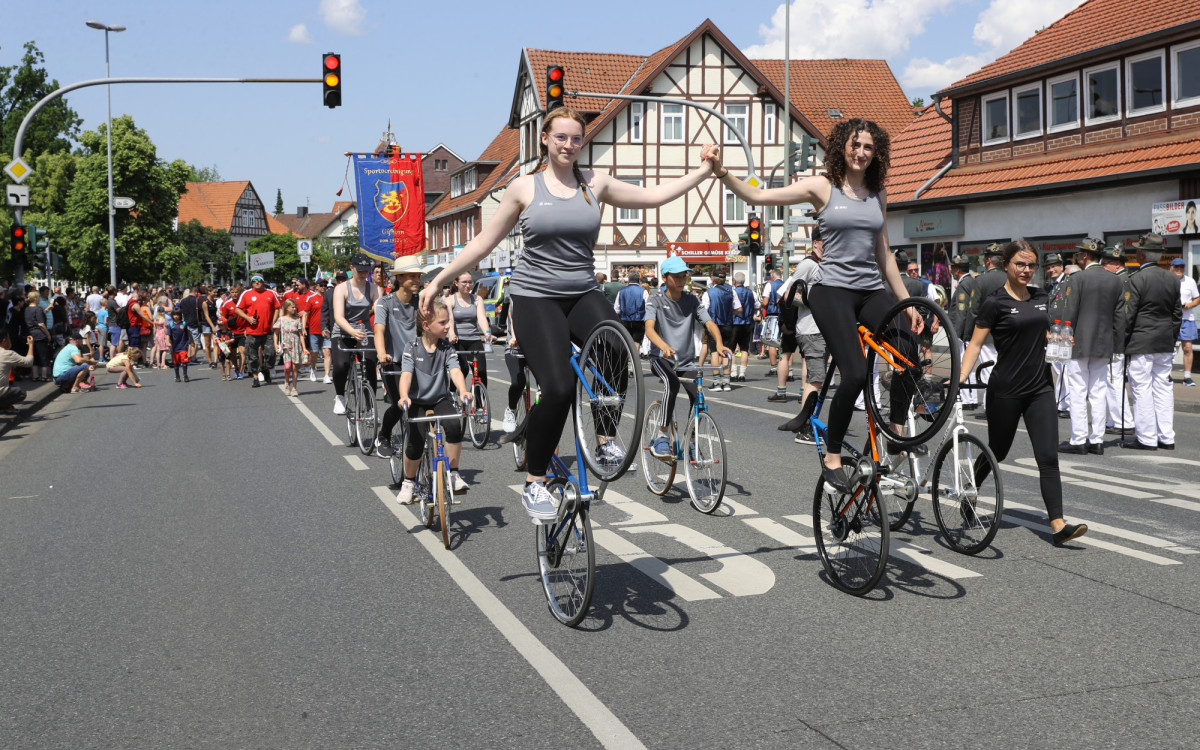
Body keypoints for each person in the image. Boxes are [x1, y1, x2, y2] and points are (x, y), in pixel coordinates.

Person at [419, 105, 716, 520]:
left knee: (618, 349)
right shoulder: (524, 187)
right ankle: (535, 481)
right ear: (545, 139)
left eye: (576, 138)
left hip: (581, 292)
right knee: (559, 388)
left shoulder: (595, 183)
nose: (569, 145)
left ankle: (606, 439)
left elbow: (653, 196)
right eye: (560, 137)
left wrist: (703, 171)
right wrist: (438, 280)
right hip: (535, 298)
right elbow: (483, 242)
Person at [704, 117, 920, 490]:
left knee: (909, 353)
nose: (861, 153)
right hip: (833, 290)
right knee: (855, 374)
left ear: (877, 153)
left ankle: (895, 433)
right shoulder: (823, 186)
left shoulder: (878, 193)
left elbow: (884, 254)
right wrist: (722, 172)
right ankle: (833, 456)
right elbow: (758, 197)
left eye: (868, 147)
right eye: (855, 145)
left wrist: (907, 302)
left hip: (871, 290)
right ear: (842, 147)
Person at [960, 241, 1087, 545]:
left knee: (1048, 456)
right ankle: (969, 491)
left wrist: (1058, 341)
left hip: (1040, 387)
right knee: (998, 451)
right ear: (1006, 265)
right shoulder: (995, 302)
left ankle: (1057, 525)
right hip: (1006, 389)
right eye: (1020, 264)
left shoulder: (1041, 296)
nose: (1026, 270)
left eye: (1031, 265)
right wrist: (959, 380)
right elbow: (975, 344)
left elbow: (1044, 333)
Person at [644, 256, 732, 457]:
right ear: (664, 277)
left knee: (698, 395)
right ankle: (662, 436)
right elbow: (649, 328)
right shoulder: (655, 299)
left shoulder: (692, 299)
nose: (681, 280)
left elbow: (709, 323)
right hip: (661, 358)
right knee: (672, 383)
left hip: (685, 360)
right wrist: (663, 346)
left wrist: (718, 343)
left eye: (684, 276)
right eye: (676, 276)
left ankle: (692, 441)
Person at [395, 298, 472, 504]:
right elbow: (406, 375)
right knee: (416, 440)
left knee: (454, 425)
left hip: (440, 399)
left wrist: (463, 391)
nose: (448, 326)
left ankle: (453, 473)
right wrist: (404, 396)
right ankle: (408, 482)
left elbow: (455, 371)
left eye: (448, 322)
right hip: (417, 401)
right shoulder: (411, 347)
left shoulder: (447, 348)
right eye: (443, 322)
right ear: (427, 325)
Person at [1058, 237, 1124, 455]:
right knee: (1098, 391)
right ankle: (1097, 440)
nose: (1077, 256)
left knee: (1078, 391)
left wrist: (1064, 337)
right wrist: (1118, 346)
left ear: (1085, 255)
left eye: (1079, 253)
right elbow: (1119, 317)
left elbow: (1069, 311)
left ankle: (1078, 439)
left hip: (1079, 341)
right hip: (1104, 343)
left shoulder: (1077, 278)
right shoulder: (1115, 280)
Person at [1121, 233, 1182, 450]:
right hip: (1164, 341)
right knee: (1164, 388)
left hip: (1141, 342)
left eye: (1137, 250)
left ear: (1141, 254)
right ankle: (1166, 437)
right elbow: (1177, 315)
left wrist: (1122, 342)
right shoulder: (1172, 279)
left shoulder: (1136, 279)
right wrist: (1170, 338)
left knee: (1142, 389)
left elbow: (1128, 315)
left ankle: (1147, 437)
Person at [775, 245, 827, 444]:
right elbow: (788, 295)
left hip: (821, 329)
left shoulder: (825, 264)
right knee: (815, 379)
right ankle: (805, 427)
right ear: (817, 243)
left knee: (814, 377)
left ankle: (808, 422)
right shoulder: (808, 264)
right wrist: (814, 301)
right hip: (810, 329)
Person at [373, 255, 423, 457]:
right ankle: (383, 436)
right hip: (393, 361)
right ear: (399, 278)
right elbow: (379, 330)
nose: (417, 280)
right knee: (399, 404)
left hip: (418, 360)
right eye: (412, 276)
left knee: (422, 402)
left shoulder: (421, 302)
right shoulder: (385, 302)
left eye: (418, 276)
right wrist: (381, 353)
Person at [331, 254, 380, 413]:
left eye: (366, 271)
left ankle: (370, 407)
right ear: (352, 268)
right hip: (343, 330)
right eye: (360, 270)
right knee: (341, 365)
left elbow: (379, 313)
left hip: (364, 330)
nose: (363, 274)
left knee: (370, 364)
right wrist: (352, 331)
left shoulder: (374, 288)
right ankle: (340, 396)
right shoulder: (341, 288)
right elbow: (338, 316)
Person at [1099, 245, 1135, 434]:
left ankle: (1123, 422)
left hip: (1116, 340)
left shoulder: (1121, 281)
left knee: (1113, 380)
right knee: (1111, 380)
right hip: (1117, 339)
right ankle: (1116, 419)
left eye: (1106, 263)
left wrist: (1116, 341)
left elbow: (1123, 316)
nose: (1103, 267)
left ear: (1117, 265)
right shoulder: (1121, 280)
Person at [967, 245, 1008, 408]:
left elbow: (973, 311)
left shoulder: (980, 280)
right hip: (1009, 333)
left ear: (988, 260)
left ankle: (991, 406)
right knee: (1006, 369)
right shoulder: (1010, 278)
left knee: (988, 370)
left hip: (986, 333)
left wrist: (969, 334)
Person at [235, 274, 281, 389]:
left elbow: (277, 308)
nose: (257, 282)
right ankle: (255, 378)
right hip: (252, 332)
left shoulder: (271, 293)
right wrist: (248, 318)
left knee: (271, 354)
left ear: (263, 282)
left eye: (259, 280)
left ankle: (265, 369)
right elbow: (237, 309)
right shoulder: (246, 294)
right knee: (252, 356)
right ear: (251, 283)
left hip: (267, 331)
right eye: (254, 281)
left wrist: (273, 322)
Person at [447, 271, 492, 387]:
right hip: (457, 340)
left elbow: (481, 318)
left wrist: (487, 334)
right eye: (464, 282)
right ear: (456, 283)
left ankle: (480, 397)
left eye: (470, 282)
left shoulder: (477, 299)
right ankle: (452, 391)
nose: (468, 285)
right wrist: (451, 334)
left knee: (481, 372)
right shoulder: (450, 300)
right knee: (463, 369)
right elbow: (450, 319)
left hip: (474, 339)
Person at [948, 255, 980, 410]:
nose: (951, 272)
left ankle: (968, 400)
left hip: (963, 334)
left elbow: (961, 313)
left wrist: (956, 335)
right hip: (970, 331)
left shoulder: (963, 285)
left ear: (957, 270)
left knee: (963, 365)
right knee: (969, 367)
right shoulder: (972, 281)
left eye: (952, 269)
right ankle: (971, 399)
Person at [701, 271, 738, 391]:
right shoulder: (732, 291)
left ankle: (716, 383)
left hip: (714, 325)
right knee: (726, 352)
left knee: (714, 352)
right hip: (728, 324)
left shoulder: (708, 293)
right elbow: (739, 309)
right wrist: (728, 313)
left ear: (713, 279)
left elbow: (703, 311)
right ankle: (726, 383)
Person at [1171, 257, 1198, 387]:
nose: (1179, 269)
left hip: (1187, 319)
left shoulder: (1190, 281)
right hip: (1170, 319)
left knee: (1187, 348)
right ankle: (1166, 375)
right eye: (1176, 267)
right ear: (1171, 268)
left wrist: (1190, 305)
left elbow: (1197, 298)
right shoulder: (1166, 280)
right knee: (1168, 348)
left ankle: (1187, 377)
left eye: (1181, 267)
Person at [277, 298, 306, 397]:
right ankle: (286, 382)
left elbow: (301, 335)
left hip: (296, 346)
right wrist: (276, 344)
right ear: (287, 308)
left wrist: (304, 348)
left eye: (295, 307)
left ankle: (294, 388)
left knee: (294, 368)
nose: (294, 309)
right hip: (286, 346)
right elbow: (275, 333)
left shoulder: (297, 320)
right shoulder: (281, 319)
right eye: (292, 307)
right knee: (287, 367)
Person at [296, 278, 323, 382]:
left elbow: (309, 311)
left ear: (304, 285)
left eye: (298, 284)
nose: (296, 286)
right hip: (297, 325)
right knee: (300, 345)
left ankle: (309, 365)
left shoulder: (312, 295)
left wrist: (304, 312)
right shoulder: (294, 295)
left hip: (309, 325)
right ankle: (301, 364)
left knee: (311, 348)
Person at [0, 331, 35, 410]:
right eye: (9, 339)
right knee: (21, 393)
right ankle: (3, 406)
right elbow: (28, 362)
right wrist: (31, 345)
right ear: (4, 340)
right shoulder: (7, 354)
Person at [760, 268, 784, 376]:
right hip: (784, 315)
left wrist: (762, 304)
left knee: (772, 343)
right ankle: (788, 369)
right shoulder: (786, 284)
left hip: (772, 315)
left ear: (773, 276)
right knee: (785, 343)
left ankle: (774, 368)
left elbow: (765, 302)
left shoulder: (770, 285)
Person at [615, 271, 648, 349]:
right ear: (639, 280)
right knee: (636, 342)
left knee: (626, 343)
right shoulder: (643, 291)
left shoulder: (621, 291)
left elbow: (616, 309)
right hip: (639, 320)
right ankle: (635, 356)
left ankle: (627, 356)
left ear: (629, 279)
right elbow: (648, 307)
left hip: (625, 320)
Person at [220, 283, 247, 379]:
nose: (235, 294)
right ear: (230, 293)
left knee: (243, 351)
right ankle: (236, 368)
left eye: (236, 292)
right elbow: (223, 319)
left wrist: (247, 328)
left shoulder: (244, 302)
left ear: (239, 292)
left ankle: (241, 371)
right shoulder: (227, 304)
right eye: (232, 292)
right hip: (232, 332)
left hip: (243, 331)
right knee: (233, 353)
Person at [23, 290, 51, 382]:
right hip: (40, 334)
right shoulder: (37, 310)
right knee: (43, 356)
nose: (39, 299)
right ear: (35, 299)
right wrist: (48, 334)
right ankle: (44, 376)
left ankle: (35, 376)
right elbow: (41, 324)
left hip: (30, 334)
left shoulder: (26, 309)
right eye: (38, 298)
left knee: (34, 355)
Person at [168, 310, 191, 382]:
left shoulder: (184, 324)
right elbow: (168, 335)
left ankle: (185, 375)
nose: (176, 316)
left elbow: (189, 333)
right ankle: (177, 376)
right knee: (176, 362)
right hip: (175, 346)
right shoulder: (171, 325)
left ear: (180, 315)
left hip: (183, 345)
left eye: (177, 315)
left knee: (184, 361)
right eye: (174, 315)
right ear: (172, 316)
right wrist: (168, 342)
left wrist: (192, 341)